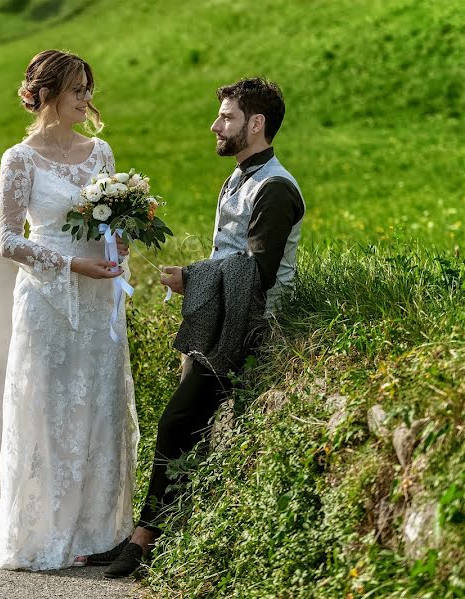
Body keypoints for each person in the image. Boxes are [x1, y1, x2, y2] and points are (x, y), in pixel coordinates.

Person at [101, 76, 305, 578]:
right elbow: (231, 257)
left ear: (256, 125)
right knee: (179, 422)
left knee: (174, 421)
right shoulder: (240, 176)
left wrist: (193, 278)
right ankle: (149, 533)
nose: (216, 125)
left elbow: (257, 273)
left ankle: (146, 540)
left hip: (253, 324)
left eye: (228, 117)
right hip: (225, 317)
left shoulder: (274, 188)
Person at [0, 49, 139, 571]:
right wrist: (69, 265)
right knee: (48, 407)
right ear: (47, 95)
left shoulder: (101, 152)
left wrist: (120, 243)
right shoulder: (18, 160)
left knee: (100, 407)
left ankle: (99, 530)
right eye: (78, 90)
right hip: (48, 299)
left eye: (89, 89)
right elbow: (6, 240)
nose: (88, 99)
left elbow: (111, 224)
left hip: (99, 300)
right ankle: (43, 530)